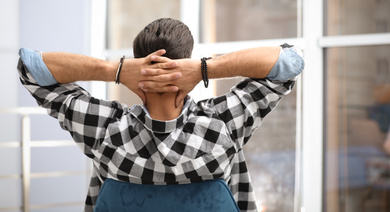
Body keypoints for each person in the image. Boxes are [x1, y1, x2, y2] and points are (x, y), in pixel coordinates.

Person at [18, 18, 304, 212]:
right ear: (187, 62)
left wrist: (115, 70)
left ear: (137, 63)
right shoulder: (224, 122)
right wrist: (206, 69)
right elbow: (290, 61)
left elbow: (30, 69)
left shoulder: (104, 129)